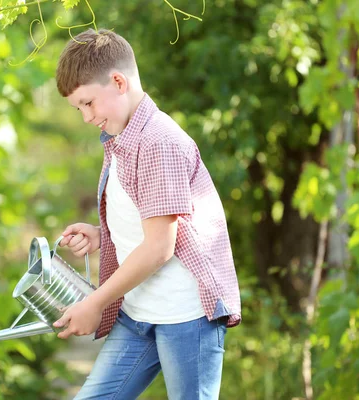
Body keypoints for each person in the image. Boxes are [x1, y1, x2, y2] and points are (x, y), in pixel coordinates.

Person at [51, 29, 241, 399]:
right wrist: (100, 234)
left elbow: (159, 247)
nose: (86, 118)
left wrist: (94, 302)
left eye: (88, 103)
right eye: (79, 109)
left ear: (118, 82)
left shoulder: (159, 142)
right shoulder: (121, 136)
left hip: (186, 319)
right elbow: (150, 218)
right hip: (139, 313)